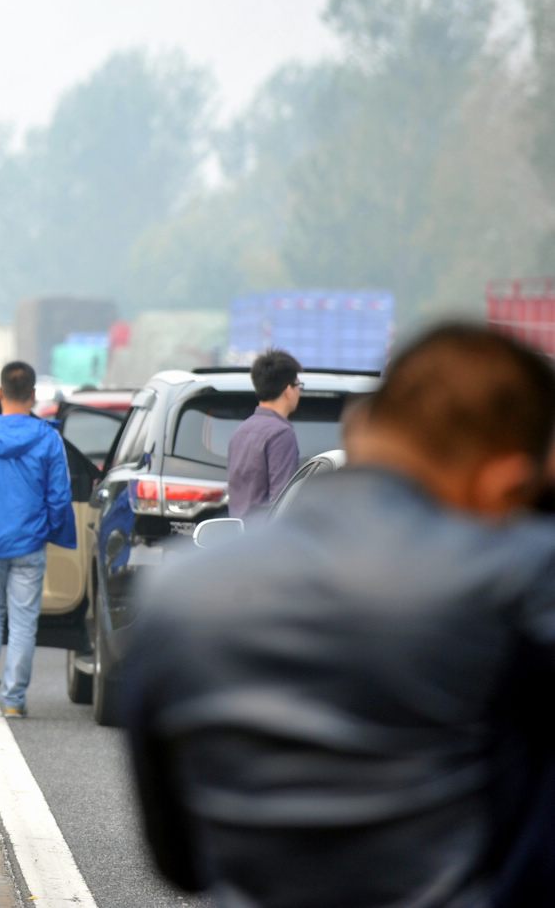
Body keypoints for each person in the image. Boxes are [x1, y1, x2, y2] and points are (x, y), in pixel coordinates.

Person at [124, 322, 555, 907]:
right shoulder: (518, 580)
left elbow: (178, 861)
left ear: (360, 428)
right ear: (510, 479)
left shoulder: (178, 592)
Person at [0, 360, 76, 718]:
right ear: (34, 396)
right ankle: (14, 700)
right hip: (29, 543)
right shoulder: (49, 438)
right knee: (23, 621)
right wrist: (50, 530)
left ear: (0, 393)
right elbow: (59, 497)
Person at [226, 348, 303, 519]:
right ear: (288, 389)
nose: (299, 391)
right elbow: (282, 501)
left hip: (240, 536)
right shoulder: (281, 434)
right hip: (265, 538)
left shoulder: (241, 431)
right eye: (298, 385)